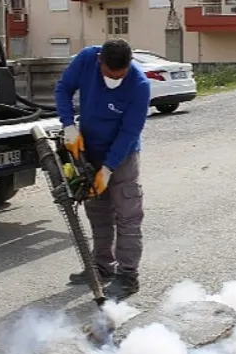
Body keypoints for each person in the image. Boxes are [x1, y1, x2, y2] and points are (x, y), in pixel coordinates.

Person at [54, 38, 151, 300]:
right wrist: (68, 126)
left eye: (120, 75)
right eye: (109, 74)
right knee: (98, 213)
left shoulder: (140, 86)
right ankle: (102, 267)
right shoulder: (87, 59)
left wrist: (108, 169)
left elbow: (130, 131)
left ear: (130, 65)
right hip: (88, 150)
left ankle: (128, 275)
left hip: (123, 154)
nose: (114, 80)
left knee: (128, 215)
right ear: (100, 63)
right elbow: (62, 89)